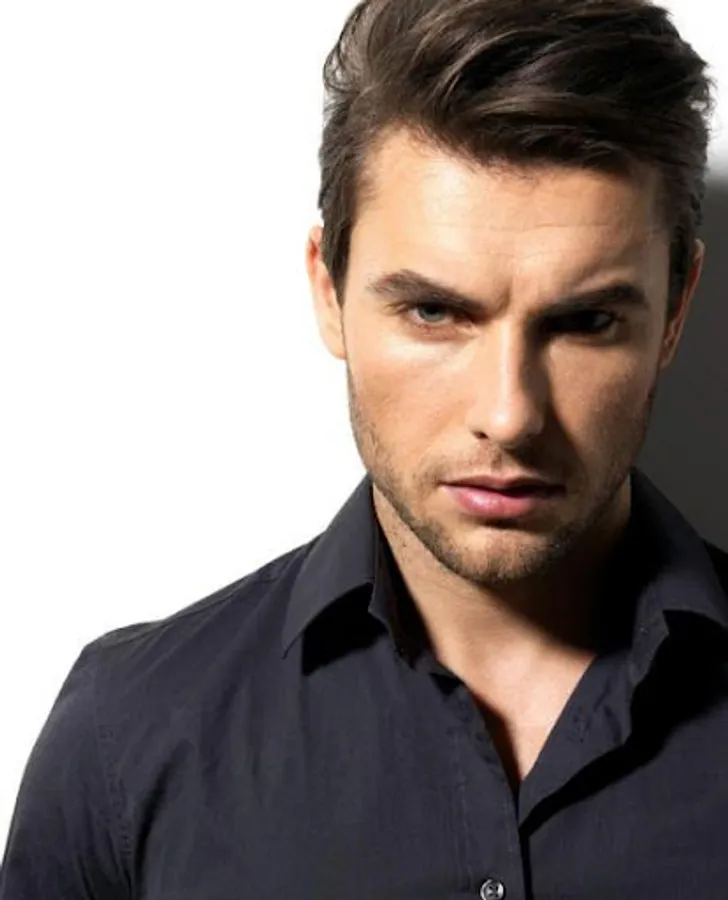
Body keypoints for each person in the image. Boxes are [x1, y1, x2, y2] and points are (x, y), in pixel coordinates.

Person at [2, 0, 726, 897]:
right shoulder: (128, 737)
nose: (509, 416)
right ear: (329, 290)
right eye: (433, 311)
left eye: (584, 323)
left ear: (676, 311)